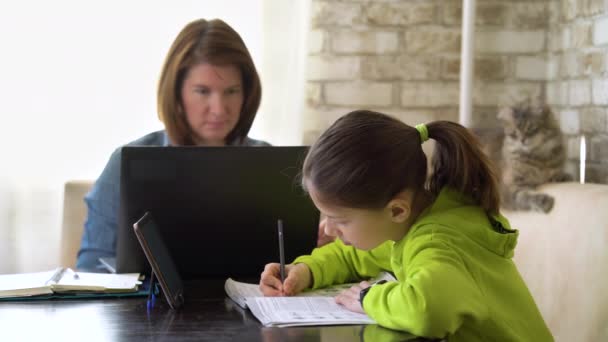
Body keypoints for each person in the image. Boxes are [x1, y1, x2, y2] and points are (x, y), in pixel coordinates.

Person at [259, 110, 553, 341]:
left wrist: (367, 297)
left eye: (340, 220)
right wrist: (305, 271)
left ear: (396, 209)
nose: (327, 230)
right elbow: (351, 255)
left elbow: (430, 310)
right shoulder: (406, 226)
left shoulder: (437, 242)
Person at [76, 18, 269, 271]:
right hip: (145, 310)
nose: (219, 109)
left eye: (231, 91)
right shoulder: (126, 162)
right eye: (202, 91)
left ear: (247, 94)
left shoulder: (267, 161)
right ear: (176, 94)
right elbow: (92, 269)